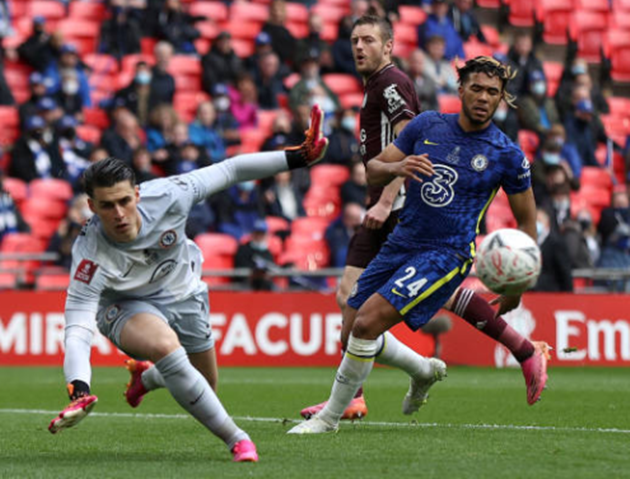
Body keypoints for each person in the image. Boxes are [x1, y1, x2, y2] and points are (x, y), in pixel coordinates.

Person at [47, 105, 330, 462]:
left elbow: (231, 169)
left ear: (137, 194)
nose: (118, 214)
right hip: (125, 306)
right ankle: (238, 439)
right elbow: (77, 326)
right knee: (166, 347)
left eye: (124, 201)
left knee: (204, 384)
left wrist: (298, 157)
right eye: (106, 206)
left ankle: (147, 379)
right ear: (91, 206)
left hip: (183, 291)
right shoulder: (89, 254)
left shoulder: (171, 193)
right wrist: (79, 388)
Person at [293, 55, 551, 434]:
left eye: (492, 92)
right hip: (402, 242)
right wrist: (398, 167)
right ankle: (422, 370)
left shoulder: (506, 154)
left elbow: (526, 222)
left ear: (501, 99)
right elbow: (374, 170)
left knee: (367, 323)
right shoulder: (427, 125)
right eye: (476, 88)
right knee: (351, 329)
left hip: (447, 253)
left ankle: (329, 419)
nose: (483, 97)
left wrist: (517, 286)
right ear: (460, 89)